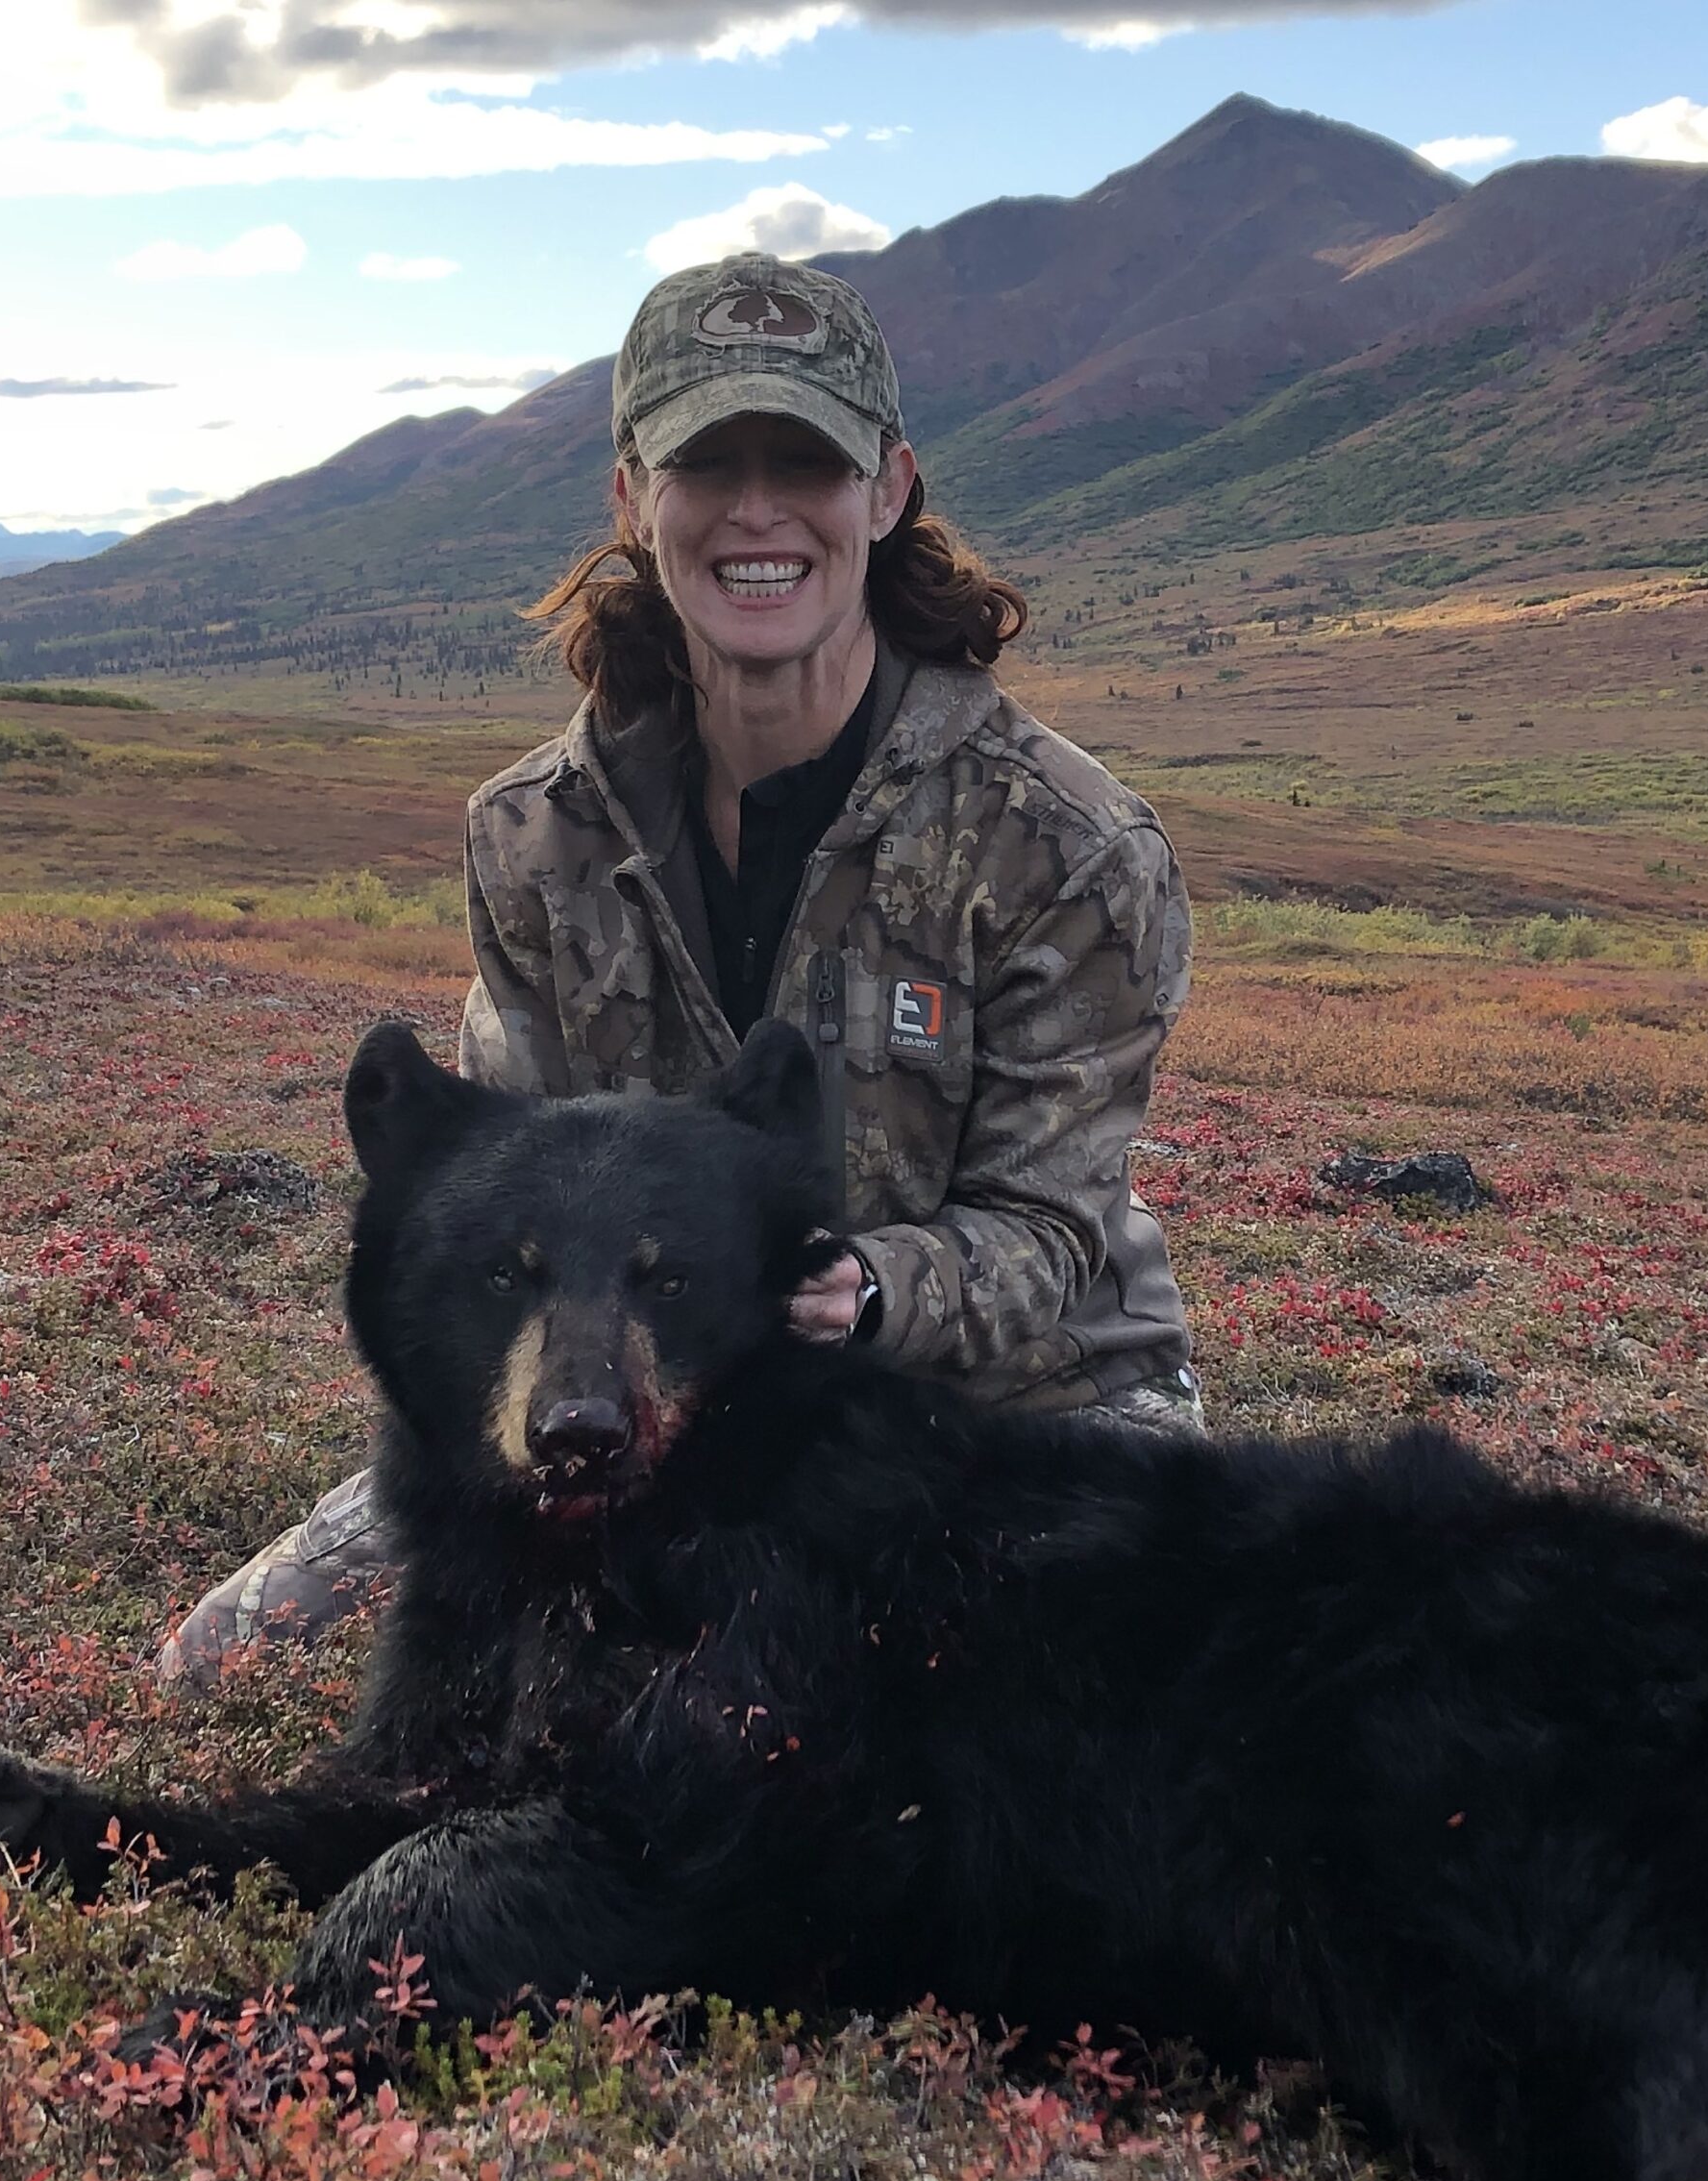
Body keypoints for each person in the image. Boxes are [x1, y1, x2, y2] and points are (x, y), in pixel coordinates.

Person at [163, 250, 1199, 1685]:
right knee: (226, 1663)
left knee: (994, 1710)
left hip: (1021, 1402)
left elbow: (1050, 1233)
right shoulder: (535, 835)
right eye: (709, 463)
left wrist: (867, 1288)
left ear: (887, 491)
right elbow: (508, 1181)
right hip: (663, 1405)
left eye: (807, 462)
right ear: (633, 500)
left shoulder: (1066, 846)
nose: (756, 510)